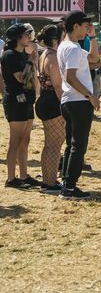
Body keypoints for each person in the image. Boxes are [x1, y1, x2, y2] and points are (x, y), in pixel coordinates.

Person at [58, 10, 101, 200]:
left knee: (71, 144)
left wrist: (92, 38)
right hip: (78, 101)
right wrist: (90, 95)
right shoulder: (73, 49)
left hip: (69, 101)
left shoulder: (67, 46)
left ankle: (66, 183)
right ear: (75, 26)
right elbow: (71, 77)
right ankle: (70, 186)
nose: (86, 29)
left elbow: (94, 60)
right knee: (78, 146)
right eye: (84, 27)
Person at [2, 23, 39, 189]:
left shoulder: (23, 54)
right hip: (15, 101)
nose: (28, 37)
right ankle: (11, 178)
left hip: (27, 100)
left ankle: (24, 175)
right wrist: (31, 62)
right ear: (18, 38)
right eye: (26, 35)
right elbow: (22, 78)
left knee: (25, 140)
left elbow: (31, 79)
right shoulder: (10, 55)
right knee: (15, 140)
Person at [34, 25, 67, 192]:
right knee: (55, 145)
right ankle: (51, 182)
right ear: (56, 40)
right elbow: (57, 86)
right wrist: (66, 106)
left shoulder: (44, 54)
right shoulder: (52, 57)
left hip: (45, 101)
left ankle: (48, 180)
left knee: (49, 144)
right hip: (52, 102)